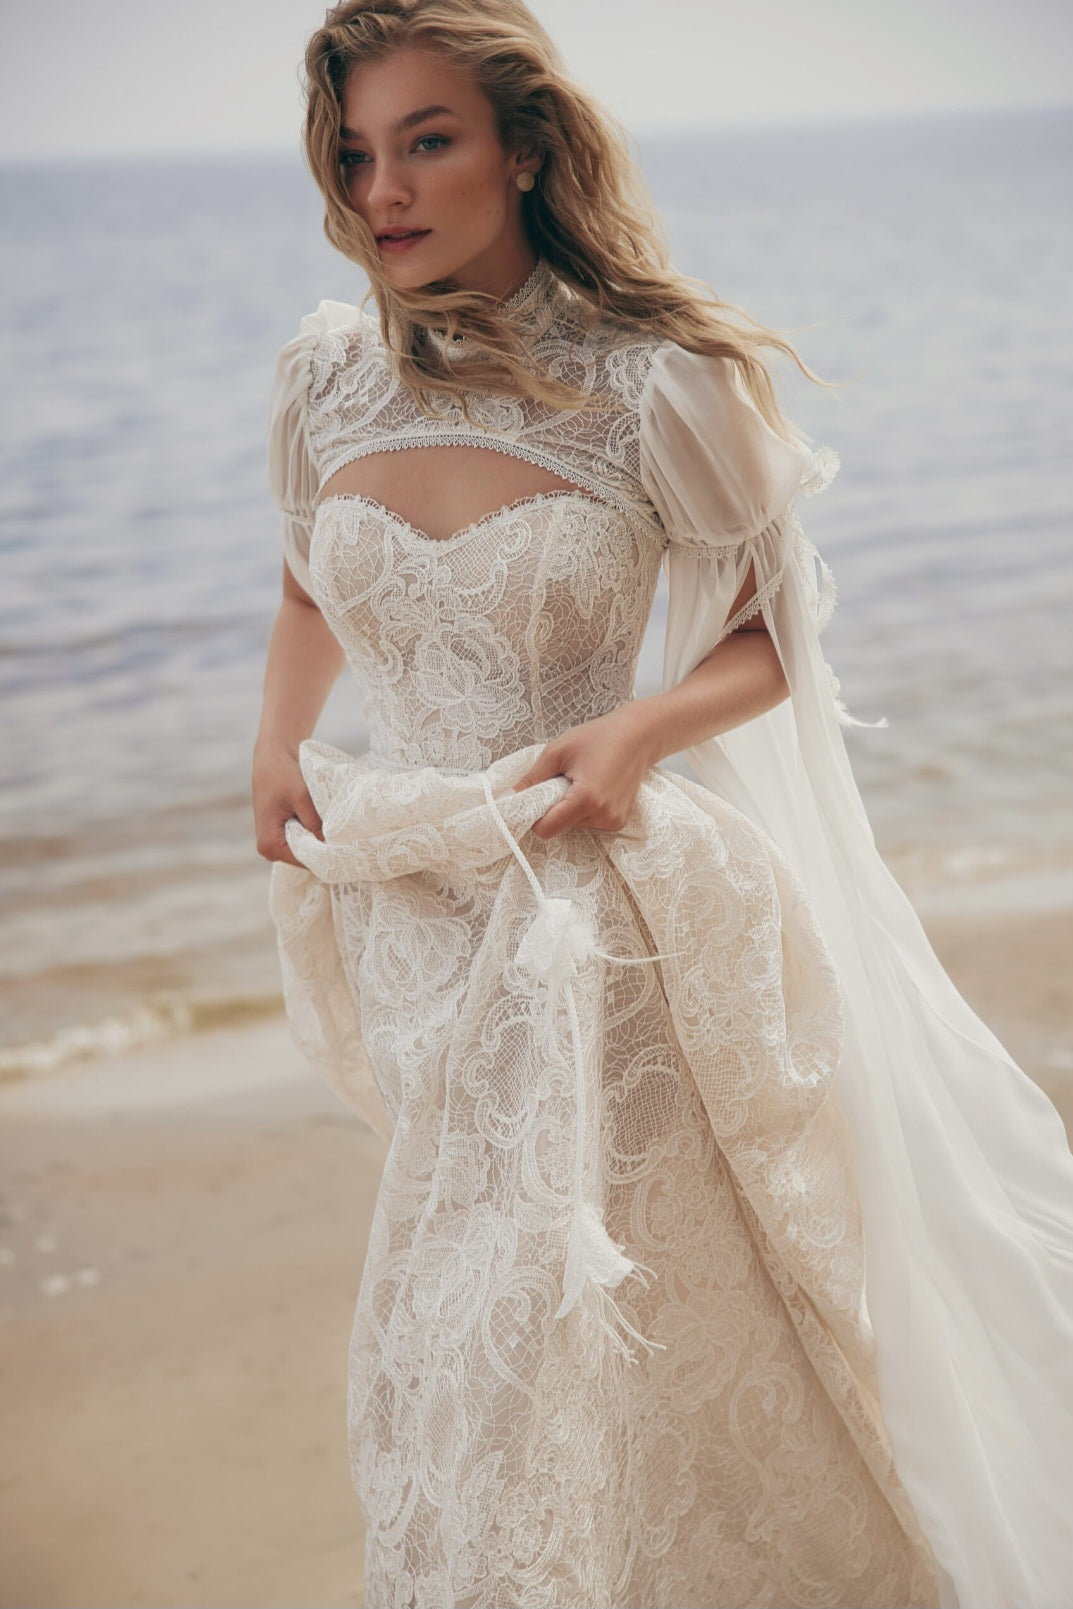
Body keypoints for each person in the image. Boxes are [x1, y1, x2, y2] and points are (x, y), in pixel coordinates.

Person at [252, 3, 1073, 1606]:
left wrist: (636, 727)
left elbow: (777, 634)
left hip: (601, 914)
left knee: (584, 1306)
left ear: (526, 148)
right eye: (357, 152)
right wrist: (276, 747)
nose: (386, 191)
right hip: (415, 904)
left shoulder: (655, 384)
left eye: (429, 140)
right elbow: (303, 583)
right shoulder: (324, 379)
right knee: (462, 1307)